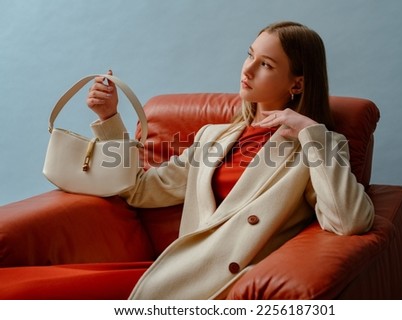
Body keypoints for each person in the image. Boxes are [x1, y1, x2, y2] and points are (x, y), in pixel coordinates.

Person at [0, 21, 374, 300]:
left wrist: (309, 132)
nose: (247, 69)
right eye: (249, 55)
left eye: (267, 65)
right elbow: (141, 190)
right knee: (16, 287)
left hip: (225, 285)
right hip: (179, 271)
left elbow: (349, 221)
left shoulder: (320, 144)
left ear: (297, 84)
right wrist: (109, 119)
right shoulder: (214, 136)